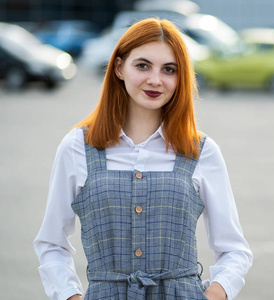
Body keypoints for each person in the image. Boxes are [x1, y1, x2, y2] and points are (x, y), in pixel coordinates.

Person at [33, 18, 253, 300]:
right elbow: (52, 243)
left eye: (169, 70)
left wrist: (214, 294)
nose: (155, 80)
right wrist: (69, 296)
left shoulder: (202, 151)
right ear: (119, 68)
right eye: (143, 65)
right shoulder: (78, 146)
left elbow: (234, 249)